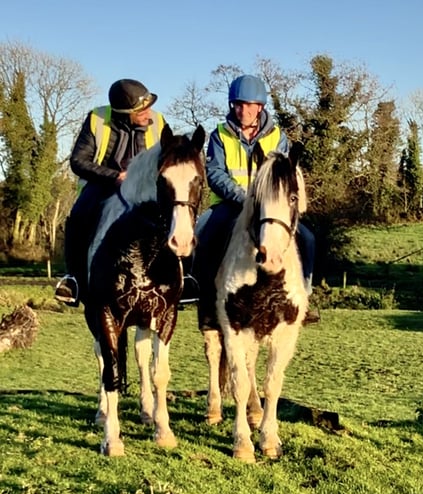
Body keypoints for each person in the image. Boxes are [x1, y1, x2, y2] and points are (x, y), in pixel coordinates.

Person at [193, 74, 318, 331]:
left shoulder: (277, 137)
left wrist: (264, 200)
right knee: (207, 234)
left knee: (307, 239)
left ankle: (303, 296)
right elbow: (215, 173)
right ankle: (206, 301)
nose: (243, 111)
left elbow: (281, 172)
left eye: (249, 105)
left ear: (260, 107)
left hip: (269, 207)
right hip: (230, 204)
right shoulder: (219, 135)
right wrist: (242, 198)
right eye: (238, 105)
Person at [54, 79, 167, 306]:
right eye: (141, 110)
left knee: (176, 215)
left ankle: (182, 278)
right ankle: (73, 278)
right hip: (102, 185)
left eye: (148, 106)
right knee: (77, 216)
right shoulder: (96, 119)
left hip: (145, 190)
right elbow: (78, 161)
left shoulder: (159, 122)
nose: (148, 113)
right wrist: (114, 176)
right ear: (125, 114)